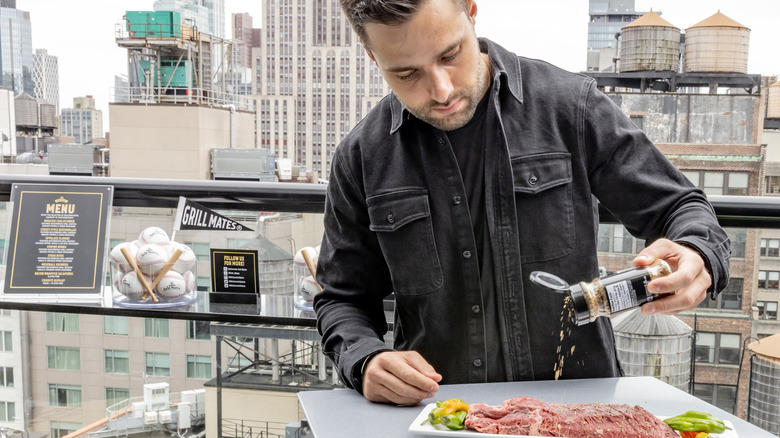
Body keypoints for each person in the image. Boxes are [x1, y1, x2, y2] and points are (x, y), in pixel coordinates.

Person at [314, 0, 731, 405]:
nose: (441, 90)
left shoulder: (570, 106)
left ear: (472, 13)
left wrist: (698, 253)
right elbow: (342, 298)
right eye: (406, 74)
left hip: (580, 414)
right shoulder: (362, 156)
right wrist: (365, 359)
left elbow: (680, 207)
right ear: (372, 55)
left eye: (450, 54)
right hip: (444, 417)